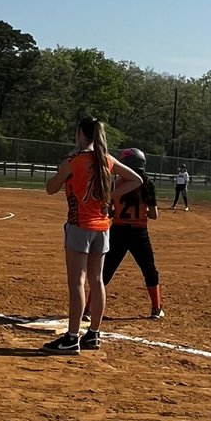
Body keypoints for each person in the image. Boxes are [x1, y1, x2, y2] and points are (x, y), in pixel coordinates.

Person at [42, 117, 142, 354]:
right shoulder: (106, 159)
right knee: (96, 280)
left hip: (80, 226)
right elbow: (136, 179)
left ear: (80, 133)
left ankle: (72, 337)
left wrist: (64, 166)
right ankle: (94, 334)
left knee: (77, 281)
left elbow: (50, 188)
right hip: (102, 227)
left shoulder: (74, 161)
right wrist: (111, 195)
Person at [101, 147, 164, 319]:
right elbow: (154, 215)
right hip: (139, 232)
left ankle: (89, 309)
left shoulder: (117, 183)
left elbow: (110, 212)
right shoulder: (147, 183)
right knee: (149, 269)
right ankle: (156, 308)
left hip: (118, 231)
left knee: (105, 270)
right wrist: (143, 211)